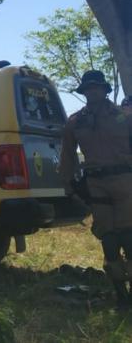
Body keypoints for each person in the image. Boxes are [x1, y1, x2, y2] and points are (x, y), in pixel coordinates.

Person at [60, 70, 132, 306]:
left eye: (96, 87)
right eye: (88, 88)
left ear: (104, 90)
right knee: (108, 239)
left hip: (125, 182)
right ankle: (121, 295)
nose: (92, 91)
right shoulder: (75, 122)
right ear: (84, 91)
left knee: (129, 237)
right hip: (96, 185)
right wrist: (68, 186)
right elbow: (67, 156)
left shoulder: (124, 117)